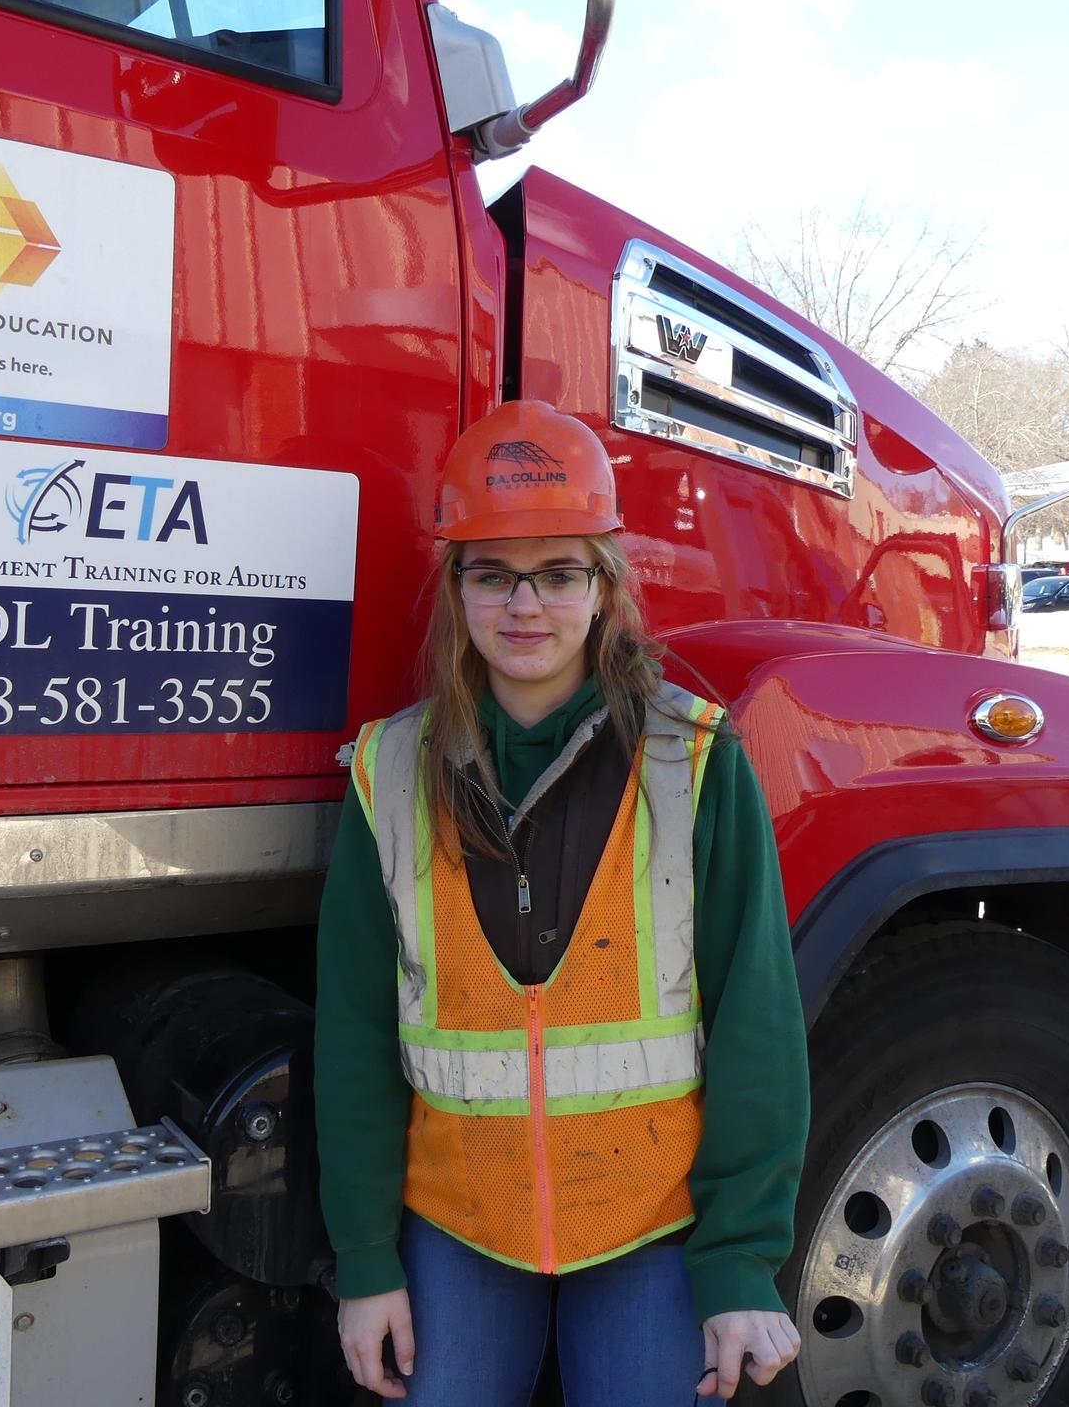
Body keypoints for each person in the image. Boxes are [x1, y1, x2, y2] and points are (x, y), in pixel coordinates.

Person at [314, 400, 811, 1405]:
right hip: (459, 1224)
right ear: (457, 591)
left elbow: (758, 1022)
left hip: (650, 1222)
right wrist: (366, 1261)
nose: (524, 605)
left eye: (558, 573)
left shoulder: (695, 760)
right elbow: (356, 1035)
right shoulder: (392, 769)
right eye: (492, 574)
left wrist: (741, 1263)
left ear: (604, 586)